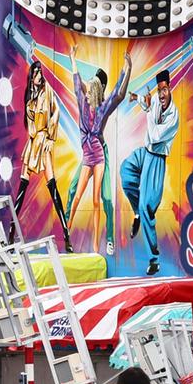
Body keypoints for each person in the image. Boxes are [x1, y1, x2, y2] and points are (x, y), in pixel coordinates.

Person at [66, 54, 135, 255]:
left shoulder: (102, 108)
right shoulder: (83, 102)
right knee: (73, 191)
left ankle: (107, 240)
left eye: (92, 85)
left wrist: (126, 69)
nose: (87, 89)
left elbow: (118, 94)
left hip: (98, 151)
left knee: (104, 198)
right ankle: (66, 230)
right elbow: (77, 83)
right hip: (87, 153)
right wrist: (72, 59)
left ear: (97, 89)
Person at [119, 68, 178, 275]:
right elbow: (148, 105)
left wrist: (150, 110)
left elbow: (154, 135)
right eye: (158, 90)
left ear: (169, 89)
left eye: (164, 90)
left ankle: (154, 259)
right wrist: (137, 98)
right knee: (125, 170)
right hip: (145, 153)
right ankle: (135, 212)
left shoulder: (174, 116)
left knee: (147, 207)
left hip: (157, 159)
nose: (160, 95)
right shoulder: (155, 102)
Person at [13, 57, 69, 247]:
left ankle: (66, 234)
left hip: (43, 140)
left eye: (39, 73)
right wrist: (34, 135)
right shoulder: (30, 96)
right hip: (33, 142)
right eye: (35, 73)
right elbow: (29, 124)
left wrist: (51, 138)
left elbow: (56, 112)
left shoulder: (47, 92)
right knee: (22, 186)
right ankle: (11, 230)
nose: (38, 76)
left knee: (52, 187)